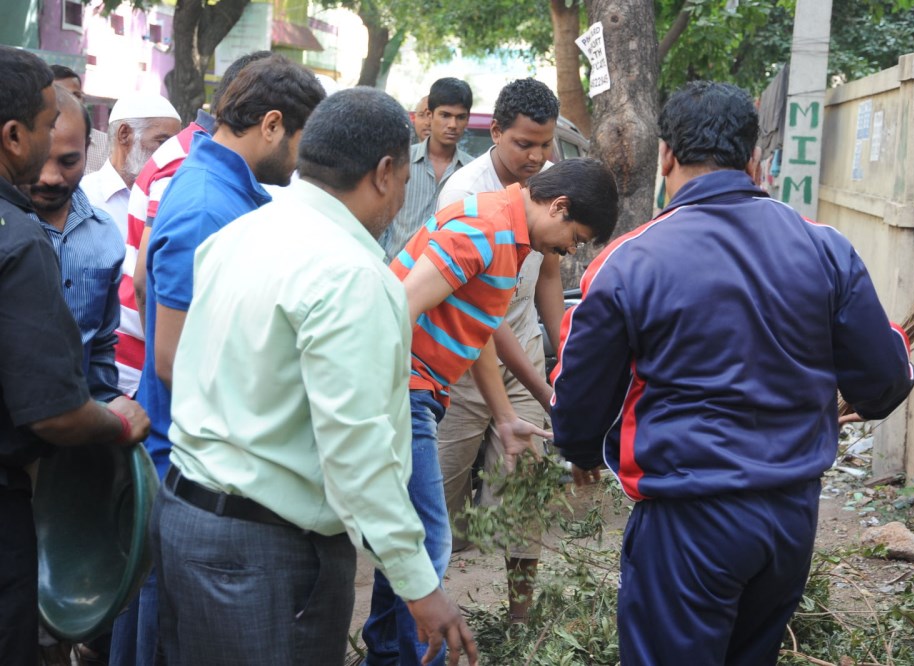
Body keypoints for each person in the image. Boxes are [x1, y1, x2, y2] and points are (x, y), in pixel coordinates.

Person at [549, 81, 914, 665]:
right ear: (754, 160)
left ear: (666, 154)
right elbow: (886, 380)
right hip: (791, 520)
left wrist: (584, 453)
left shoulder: (628, 262)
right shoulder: (825, 249)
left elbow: (576, 408)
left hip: (687, 521)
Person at [150, 86, 478, 666]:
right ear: (384, 173)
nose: (402, 201)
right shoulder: (351, 275)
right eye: (405, 183)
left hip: (187, 522)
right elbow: (358, 452)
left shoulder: (240, 233)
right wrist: (420, 585)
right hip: (265, 554)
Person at [363, 157, 619, 666]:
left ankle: (389, 653)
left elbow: (477, 327)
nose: (569, 251)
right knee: (430, 543)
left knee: (409, 539)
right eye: (576, 237)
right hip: (405, 388)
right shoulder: (486, 230)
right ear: (559, 207)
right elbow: (396, 308)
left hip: (420, 389)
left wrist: (504, 417)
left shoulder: (509, 233)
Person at [109, 51, 279, 666]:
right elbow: (166, 340)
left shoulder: (201, 170)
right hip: (172, 429)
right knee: (156, 597)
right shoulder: (198, 185)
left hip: (167, 421)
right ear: (270, 120)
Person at [0, 46, 150, 666]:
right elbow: (56, 414)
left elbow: (98, 356)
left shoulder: (98, 240)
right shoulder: (19, 240)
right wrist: (115, 423)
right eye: (42, 129)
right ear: (14, 137)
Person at [434, 78, 564, 621]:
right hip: (463, 361)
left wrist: (564, 355)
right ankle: (426, 618)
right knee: (438, 497)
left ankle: (520, 615)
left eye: (545, 144)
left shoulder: (553, 186)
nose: (536, 157)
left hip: (524, 350)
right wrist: (547, 391)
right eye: (524, 144)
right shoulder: (464, 194)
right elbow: (479, 319)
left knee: (524, 486)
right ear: (497, 133)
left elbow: (549, 274)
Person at [114, 50, 273, 400]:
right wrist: (160, 357)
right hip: (140, 362)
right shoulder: (189, 161)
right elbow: (144, 279)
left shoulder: (194, 150)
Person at [19, 86, 124, 404]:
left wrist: (109, 404)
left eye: (67, 161)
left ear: (88, 149)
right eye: (40, 160)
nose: (50, 177)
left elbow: (102, 344)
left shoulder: (105, 235)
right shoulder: (9, 228)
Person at [378, 78, 473, 262]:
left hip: (443, 281)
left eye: (460, 117)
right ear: (430, 115)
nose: (453, 124)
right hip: (394, 274)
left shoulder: (472, 171)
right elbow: (381, 220)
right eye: (445, 115)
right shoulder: (400, 160)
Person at [80, 92, 181, 239]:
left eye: (175, 144)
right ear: (124, 134)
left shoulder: (172, 196)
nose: (172, 153)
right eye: (162, 142)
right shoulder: (84, 196)